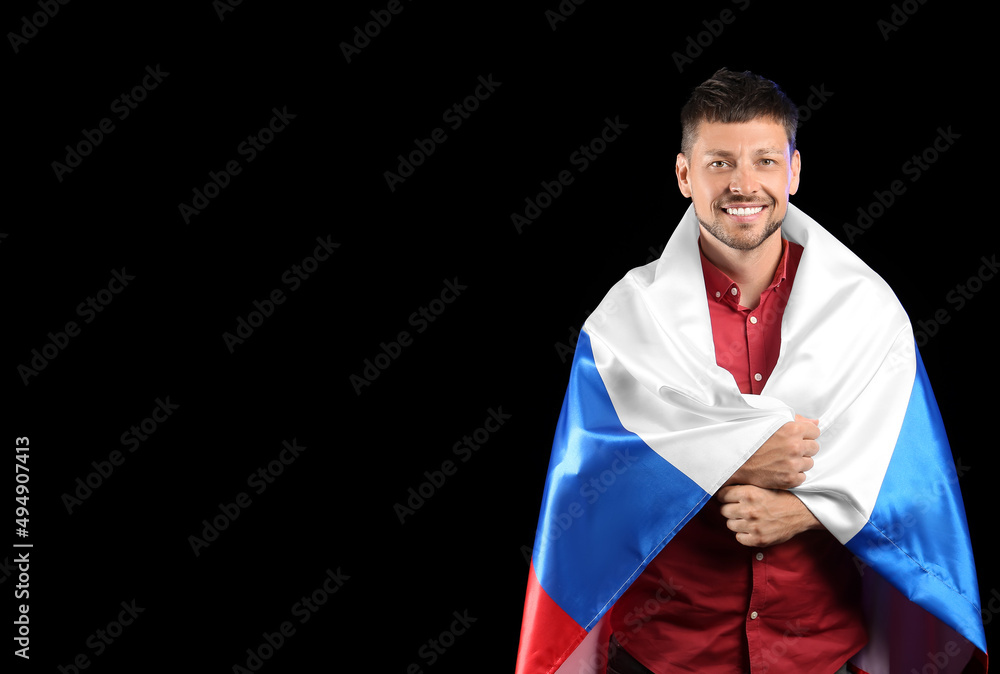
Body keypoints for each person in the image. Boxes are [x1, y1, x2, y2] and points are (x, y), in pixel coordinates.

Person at [516, 69, 987, 674]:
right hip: (666, 656)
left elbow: (916, 484)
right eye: (720, 163)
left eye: (765, 160)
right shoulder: (625, 323)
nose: (744, 185)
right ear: (684, 175)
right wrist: (740, 460)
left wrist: (808, 511)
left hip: (820, 653)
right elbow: (592, 490)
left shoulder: (868, 312)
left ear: (794, 172)